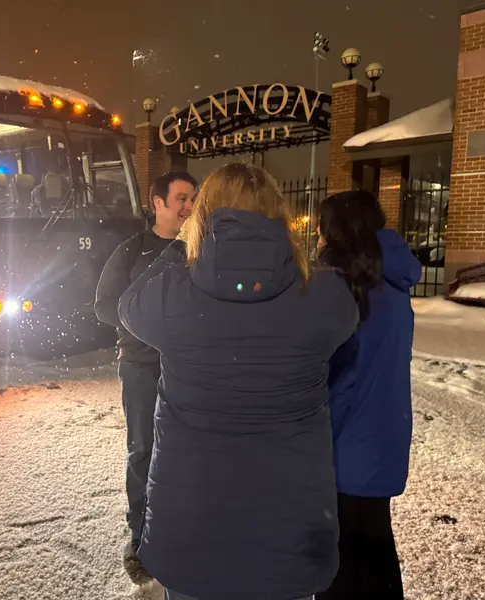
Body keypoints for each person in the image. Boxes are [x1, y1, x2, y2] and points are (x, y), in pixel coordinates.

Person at [117, 163, 359, 600]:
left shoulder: (174, 293)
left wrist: (178, 246)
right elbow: (346, 328)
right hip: (288, 529)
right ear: (278, 214)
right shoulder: (323, 295)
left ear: (202, 215)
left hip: (194, 527)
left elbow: (129, 305)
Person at [315, 191, 422, 600]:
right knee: (375, 546)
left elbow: (339, 380)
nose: (319, 237)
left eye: (323, 227)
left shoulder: (343, 289)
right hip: (384, 434)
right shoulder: (391, 282)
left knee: (344, 561)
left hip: (348, 444)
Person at [94, 171, 197, 585]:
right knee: (143, 452)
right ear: (157, 202)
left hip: (189, 368)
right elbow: (104, 306)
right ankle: (140, 538)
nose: (188, 208)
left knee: (187, 451)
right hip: (140, 367)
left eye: (193, 200)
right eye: (181, 199)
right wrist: (145, 324)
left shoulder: (199, 250)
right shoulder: (132, 250)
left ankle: (181, 531)